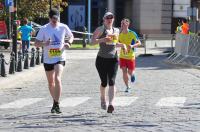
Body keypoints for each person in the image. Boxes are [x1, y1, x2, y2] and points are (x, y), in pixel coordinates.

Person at [35, 8, 74, 114]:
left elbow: (71, 36)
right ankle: (55, 102)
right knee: (51, 82)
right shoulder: (44, 28)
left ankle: (56, 104)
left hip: (60, 57)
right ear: (49, 18)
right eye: (53, 19)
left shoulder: (63, 27)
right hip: (48, 58)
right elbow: (36, 43)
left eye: (57, 18)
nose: (55, 21)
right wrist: (44, 44)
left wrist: (68, 43)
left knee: (57, 78)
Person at [91, 12, 126, 113]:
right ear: (104, 19)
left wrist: (122, 45)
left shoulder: (116, 30)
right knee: (104, 82)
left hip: (113, 59)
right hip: (101, 59)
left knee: (112, 81)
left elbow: (114, 44)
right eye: (107, 18)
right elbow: (92, 42)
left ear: (113, 19)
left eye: (111, 17)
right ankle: (102, 98)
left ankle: (111, 104)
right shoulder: (100, 29)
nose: (109, 19)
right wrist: (103, 39)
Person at [118, 18, 141, 93]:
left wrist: (132, 46)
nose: (122, 25)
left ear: (127, 24)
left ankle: (132, 75)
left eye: (123, 23)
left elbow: (139, 43)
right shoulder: (119, 34)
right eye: (121, 24)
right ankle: (128, 87)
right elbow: (116, 43)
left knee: (130, 72)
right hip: (122, 56)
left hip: (131, 56)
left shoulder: (132, 33)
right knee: (124, 71)